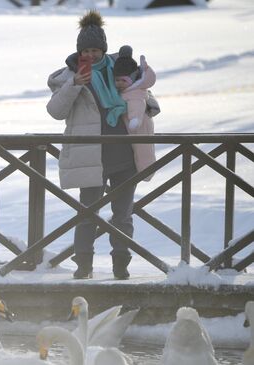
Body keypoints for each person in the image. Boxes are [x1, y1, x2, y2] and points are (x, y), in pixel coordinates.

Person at [46, 10, 157, 280]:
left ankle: (121, 265)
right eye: (87, 50)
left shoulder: (121, 69)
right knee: (87, 213)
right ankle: (83, 266)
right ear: (79, 51)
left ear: (104, 49)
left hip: (124, 155)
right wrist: (74, 84)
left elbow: (149, 102)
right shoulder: (67, 77)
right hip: (91, 156)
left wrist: (138, 98)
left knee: (123, 215)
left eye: (96, 50)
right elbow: (55, 111)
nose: (92, 55)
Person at [114, 45, 158, 180]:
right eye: (117, 80)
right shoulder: (128, 90)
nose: (120, 83)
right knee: (141, 148)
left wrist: (135, 120)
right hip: (136, 124)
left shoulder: (135, 92)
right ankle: (146, 171)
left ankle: (147, 173)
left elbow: (137, 105)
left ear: (132, 79)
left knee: (142, 149)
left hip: (139, 125)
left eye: (124, 80)